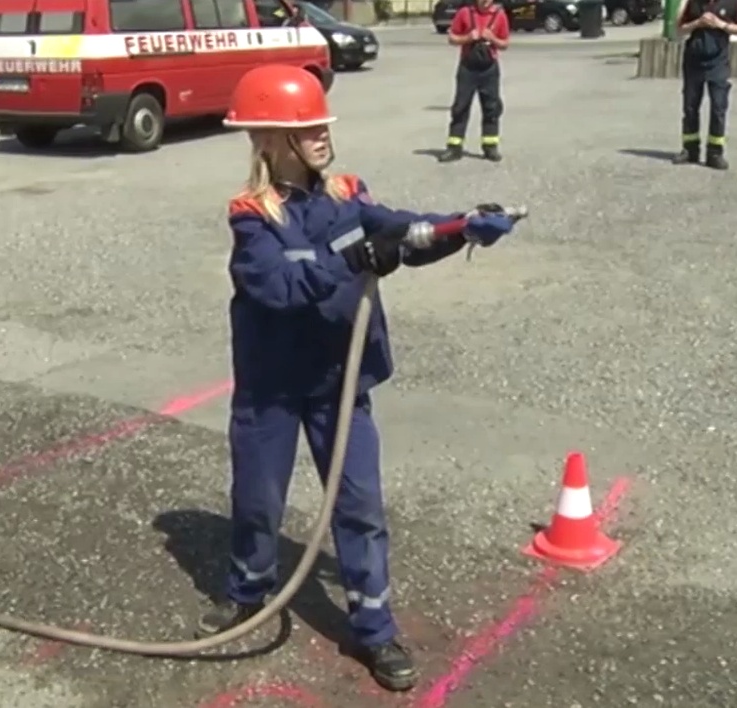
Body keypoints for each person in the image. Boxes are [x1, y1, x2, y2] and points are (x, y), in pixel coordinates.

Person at [196, 64, 519, 692]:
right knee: (258, 500)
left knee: (361, 509)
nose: (322, 134)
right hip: (272, 388)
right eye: (307, 127)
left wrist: (462, 225)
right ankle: (249, 592)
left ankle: (374, 630)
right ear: (270, 140)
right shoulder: (252, 218)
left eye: (322, 123)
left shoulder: (347, 193)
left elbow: (400, 230)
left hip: (339, 388)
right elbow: (279, 287)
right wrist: (352, 260)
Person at [673, 0, 737, 170]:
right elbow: (680, 28)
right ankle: (690, 150)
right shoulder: (693, 2)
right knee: (690, 107)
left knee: (718, 107)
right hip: (693, 60)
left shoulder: (733, 2)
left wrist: (720, 24)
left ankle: (715, 153)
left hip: (718, 62)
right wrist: (697, 23)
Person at [437, 0, 510, 164]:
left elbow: (505, 43)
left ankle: (490, 146)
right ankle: (454, 147)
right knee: (460, 106)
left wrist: (493, 38)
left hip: (489, 69)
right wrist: (468, 37)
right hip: (467, 68)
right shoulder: (465, 13)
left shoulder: (499, 15)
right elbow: (452, 38)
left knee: (491, 107)